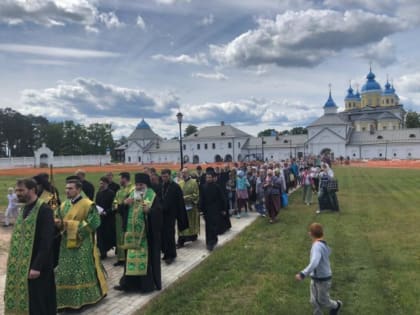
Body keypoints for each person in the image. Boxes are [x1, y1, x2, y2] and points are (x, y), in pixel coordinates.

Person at [4, 178, 56, 315]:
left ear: (33, 190)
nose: (17, 193)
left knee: (38, 301)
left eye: (21, 190)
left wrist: (37, 266)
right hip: (21, 267)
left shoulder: (44, 210)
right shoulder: (24, 209)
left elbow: (47, 240)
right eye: (16, 190)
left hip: (37, 267)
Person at [55, 178, 107, 311]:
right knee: (65, 272)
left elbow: (95, 222)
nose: (67, 191)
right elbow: (58, 220)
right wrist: (58, 224)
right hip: (66, 244)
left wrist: (70, 226)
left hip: (82, 243)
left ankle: (83, 300)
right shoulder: (63, 205)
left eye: (70, 188)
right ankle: (65, 300)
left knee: (79, 271)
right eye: (66, 188)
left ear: (78, 190)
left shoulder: (88, 204)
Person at [114, 173, 163, 293]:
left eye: (140, 184)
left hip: (145, 237)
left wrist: (150, 211)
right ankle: (127, 285)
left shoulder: (152, 196)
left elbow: (159, 214)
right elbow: (120, 209)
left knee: (144, 262)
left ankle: (146, 286)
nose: (138, 187)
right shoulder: (131, 194)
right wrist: (125, 204)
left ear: (146, 185)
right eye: (136, 184)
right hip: (131, 236)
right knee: (130, 260)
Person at [295, 223, 342, 315]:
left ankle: (337, 305)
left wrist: (302, 274)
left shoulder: (317, 246)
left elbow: (314, 262)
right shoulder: (322, 243)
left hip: (323, 279)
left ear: (310, 234)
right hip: (316, 277)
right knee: (313, 300)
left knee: (323, 301)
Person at [160, 169, 189, 265]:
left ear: (170, 176)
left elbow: (180, 202)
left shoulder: (175, 187)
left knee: (169, 235)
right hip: (162, 214)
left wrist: (180, 215)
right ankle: (166, 253)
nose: (164, 178)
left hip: (171, 214)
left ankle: (171, 255)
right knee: (163, 235)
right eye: (163, 177)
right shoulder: (162, 186)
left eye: (166, 176)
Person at [200, 168, 228, 251]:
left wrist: (223, 209)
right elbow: (202, 198)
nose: (208, 179)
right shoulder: (203, 187)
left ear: (212, 178)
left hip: (215, 209)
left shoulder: (217, 187)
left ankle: (213, 240)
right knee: (208, 227)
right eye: (207, 177)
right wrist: (200, 209)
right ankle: (209, 242)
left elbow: (222, 198)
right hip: (207, 210)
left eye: (209, 177)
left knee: (213, 226)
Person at [113, 172, 135, 266]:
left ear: (125, 179)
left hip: (126, 216)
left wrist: (119, 205)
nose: (119, 181)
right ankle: (121, 258)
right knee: (119, 238)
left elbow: (129, 202)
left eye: (120, 178)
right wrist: (116, 205)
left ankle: (128, 258)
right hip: (118, 217)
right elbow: (115, 201)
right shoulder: (119, 190)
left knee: (126, 236)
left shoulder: (132, 189)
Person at [177, 168, 200, 248]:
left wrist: (186, 198)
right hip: (181, 207)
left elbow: (196, 195)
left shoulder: (194, 183)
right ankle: (181, 239)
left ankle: (193, 235)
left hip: (191, 207)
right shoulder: (180, 183)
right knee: (182, 223)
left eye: (185, 172)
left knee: (191, 223)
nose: (183, 174)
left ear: (188, 173)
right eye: (182, 172)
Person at [96, 176, 116, 259]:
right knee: (100, 236)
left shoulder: (111, 193)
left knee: (107, 235)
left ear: (107, 184)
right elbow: (96, 203)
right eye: (100, 183)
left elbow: (113, 206)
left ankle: (107, 249)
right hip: (100, 217)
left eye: (103, 183)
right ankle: (102, 252)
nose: (101, 185)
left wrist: (106, 212)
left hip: (108, 218)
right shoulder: (99, 193)